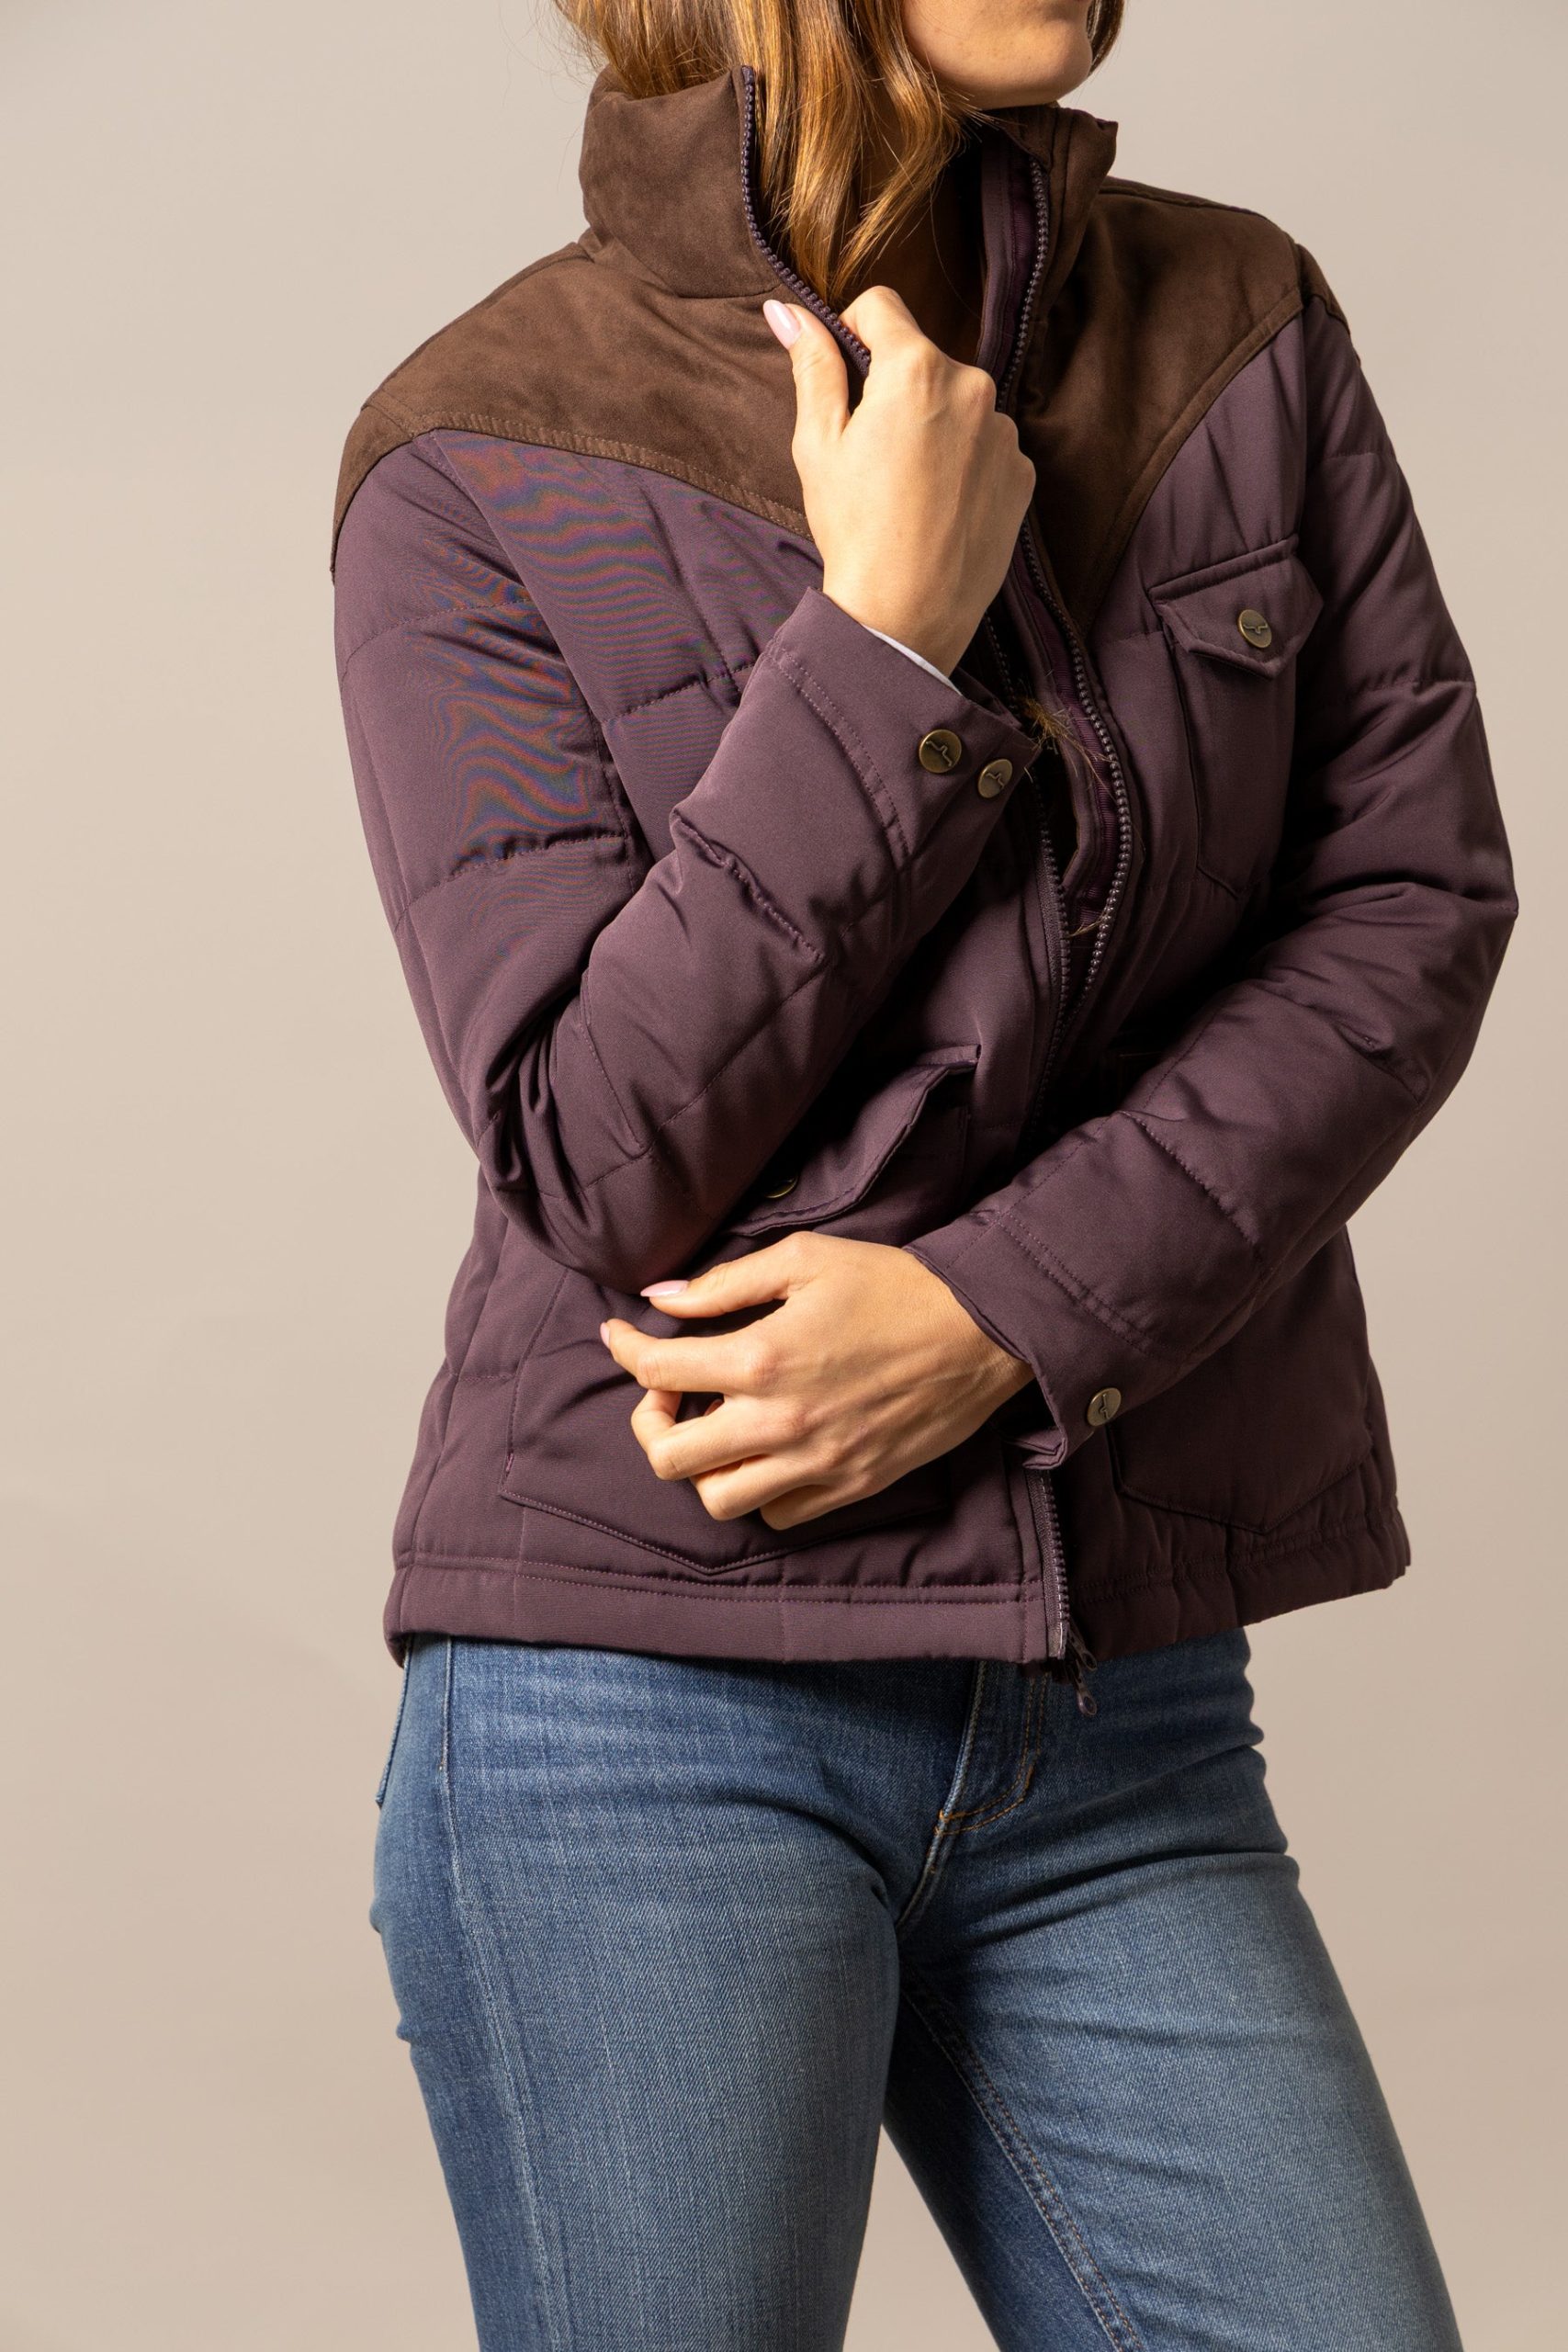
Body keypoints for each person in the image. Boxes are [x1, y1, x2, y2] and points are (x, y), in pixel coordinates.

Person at [330, 2, 1516, 2343]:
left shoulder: (1235, 321)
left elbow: (1407, 906)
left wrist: (1003, 1309)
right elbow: (592, 1141)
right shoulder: (471, 444)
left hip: (1118, 1716)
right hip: (641, 1706)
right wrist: (881, 638)